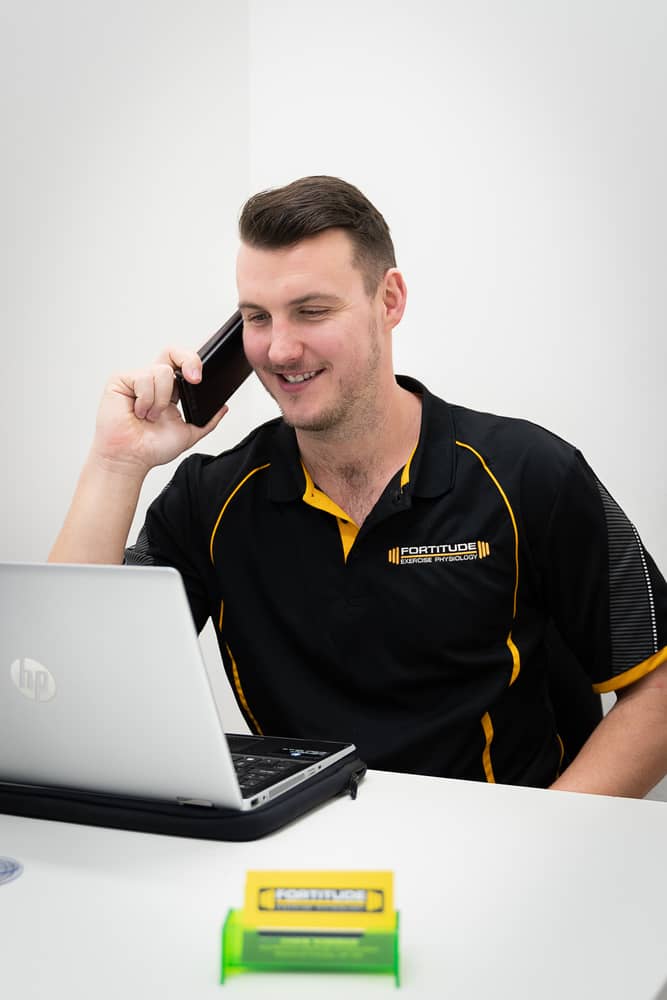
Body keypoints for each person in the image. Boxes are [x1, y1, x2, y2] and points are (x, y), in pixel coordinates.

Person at [50, 175, 667, 797]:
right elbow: (66, 686)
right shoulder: (210, 498)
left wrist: (545, 837)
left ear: (389, 300)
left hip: (495, 851)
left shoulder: (531, 472)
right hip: (293, 861)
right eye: (256, 318)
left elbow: (659, 689)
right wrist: (115, 463)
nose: (281, 349)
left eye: (312, 311)